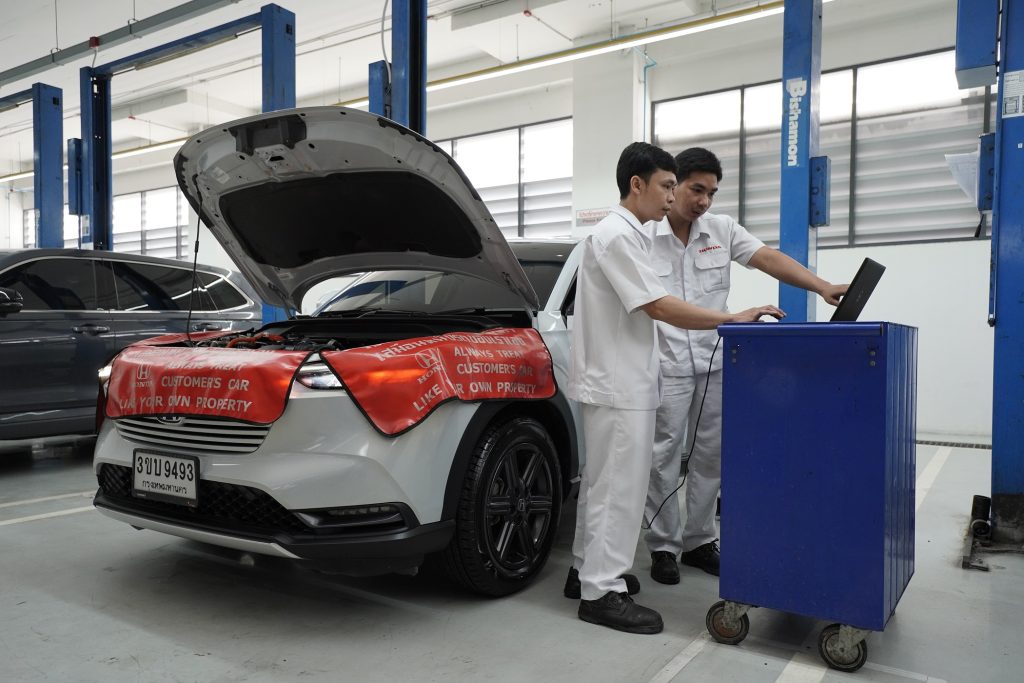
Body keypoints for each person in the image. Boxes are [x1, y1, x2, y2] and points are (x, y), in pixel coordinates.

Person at [564, 142, 783, 634]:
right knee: (619, 490)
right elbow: (659, 305)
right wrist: (732, 317)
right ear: (636, 184)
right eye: (667, 186)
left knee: (602, 484)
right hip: (620, 385)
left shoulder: (623, 234)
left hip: (619, 382)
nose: (671, 197)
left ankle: (585, 571)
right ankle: (602, 591)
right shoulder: (619, 236)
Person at [643, 147, 848, 586]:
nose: (704, 201)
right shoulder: (645, 234)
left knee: (711, 455)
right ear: (674, 185)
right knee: (663, 456)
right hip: (665, 362)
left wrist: (821, 286)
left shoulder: (721, 230)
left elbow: (768, 258)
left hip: (714, 360)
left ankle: (699, 540)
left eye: (711, 193)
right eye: (696, 189)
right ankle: (663, 545)